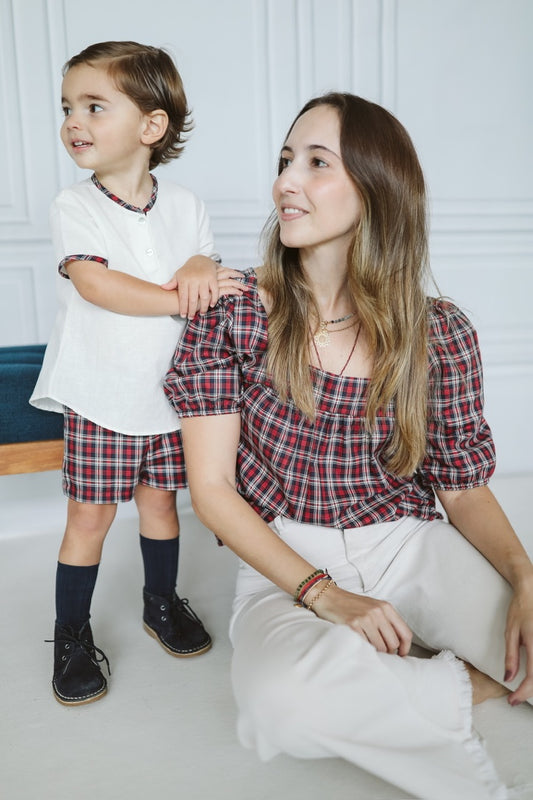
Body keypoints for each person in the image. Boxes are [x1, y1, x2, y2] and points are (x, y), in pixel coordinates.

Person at [164, 92, 533, 799]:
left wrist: (522, 576)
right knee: (282, 708)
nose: (284, 181)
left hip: (404, 541)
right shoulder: (232, 316)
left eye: (315, 162)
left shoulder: (439, 333)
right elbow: (211, 492)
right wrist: (326, 597)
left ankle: (410, 671)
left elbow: (457, 485)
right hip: (283, 559)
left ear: (374, 188)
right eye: (283, 161)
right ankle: (458, 682)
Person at [30, 41, 242, 706]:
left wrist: (203, 270)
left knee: (160, 506)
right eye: (67, 107)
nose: (73, 121)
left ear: (150, 127)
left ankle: (160, 603)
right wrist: (186, 292)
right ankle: (70, 634)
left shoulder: (184, 204)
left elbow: (203, 263)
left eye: (94, 105)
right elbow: (98, 285)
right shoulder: (76, 206)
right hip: (101, 393)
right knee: (88, 519)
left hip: (169, 394)